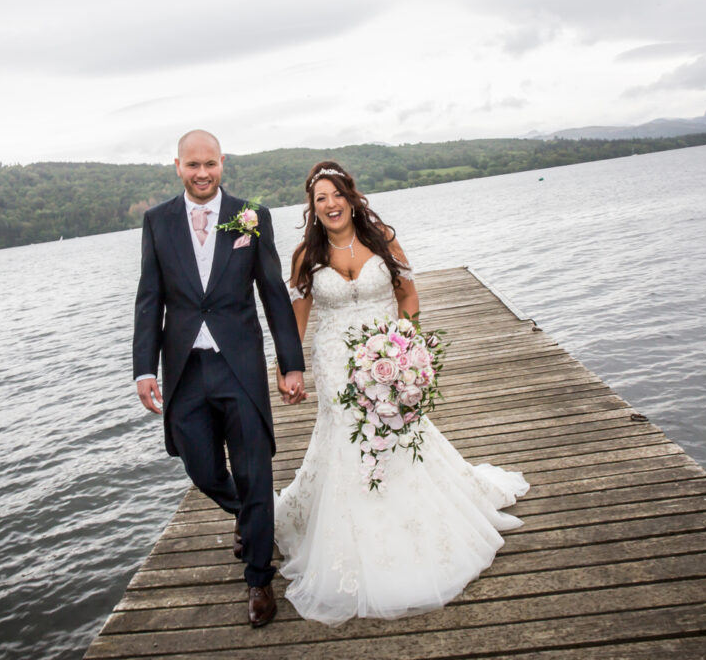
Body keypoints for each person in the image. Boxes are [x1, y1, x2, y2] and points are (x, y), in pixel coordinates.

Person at [274, 160, 530, 625]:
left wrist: (407, 344)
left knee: (397, 432)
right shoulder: (304, 256)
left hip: (385, 353)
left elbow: (408, 296)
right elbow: (298, 320)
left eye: (337, 195)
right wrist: (287, 367)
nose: (331, 205)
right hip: (335, 362)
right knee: (348, 435)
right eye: (320, 199)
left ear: (352, 198)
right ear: (312, 209)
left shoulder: (382, 240)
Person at [132, 130, 306, 628]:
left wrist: (290, 362)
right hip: (185, 370)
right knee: (202, 469)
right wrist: (144, 367)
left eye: (210, 164)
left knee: (254, 470)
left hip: (240, 365)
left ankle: (258, 578)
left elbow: (273, 293)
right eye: (193, 165)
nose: (202, 173)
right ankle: (251, 519)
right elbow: (150, 298)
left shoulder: (252, 215)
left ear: (222, 163)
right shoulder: (158, 222)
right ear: (178, 166)